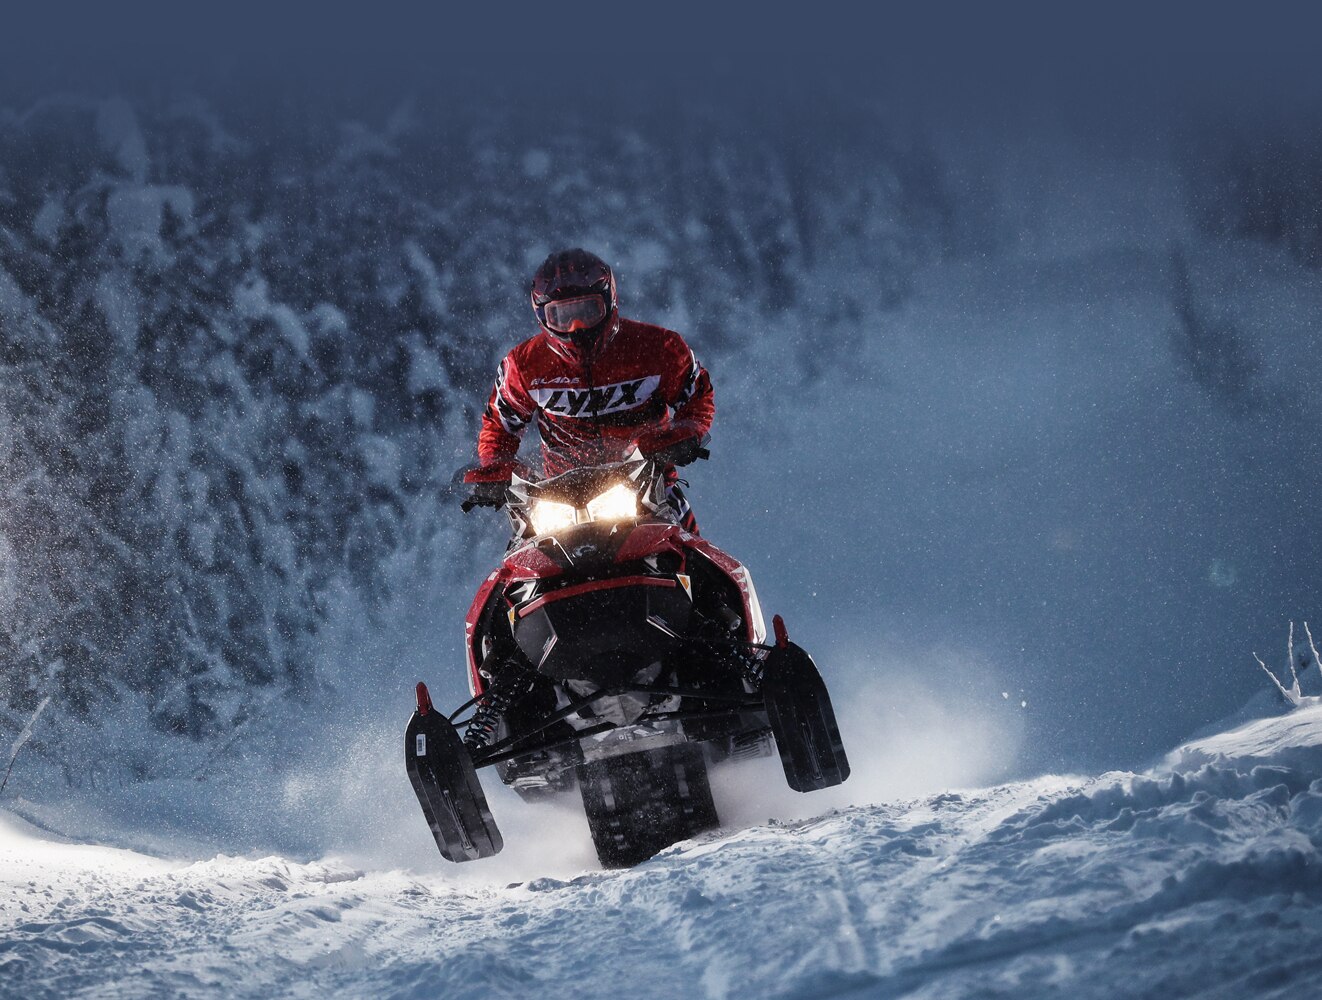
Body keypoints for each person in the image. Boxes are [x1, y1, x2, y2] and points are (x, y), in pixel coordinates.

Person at [464, 248, 714, 532]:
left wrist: (687, 432)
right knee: (514, 570)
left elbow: (697, 394)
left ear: (610, 302)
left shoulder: (659, 348)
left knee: (697, 558)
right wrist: (496, 469)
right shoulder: (523, 365)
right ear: (542, 317)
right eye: (562, 316)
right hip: (559, 501)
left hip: (651, 489)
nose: (576, 327)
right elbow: (499, 425)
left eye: (587, 311)